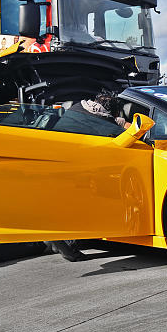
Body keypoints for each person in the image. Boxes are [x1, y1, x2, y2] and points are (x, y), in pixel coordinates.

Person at [46, 90, 129, 263]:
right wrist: (120, 124)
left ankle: (51, 239)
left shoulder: (77, 107)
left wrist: (115, 121)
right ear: (113, 111)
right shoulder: (104, 123)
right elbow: (122, 137)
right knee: (87, 201)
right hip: (75, 168)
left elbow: (102, 121)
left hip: (50, 161)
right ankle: (68, 246)